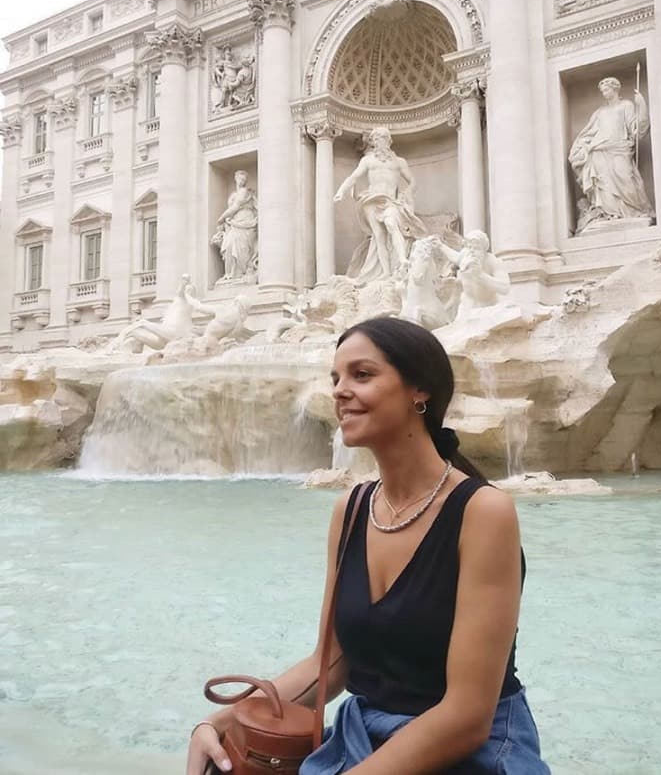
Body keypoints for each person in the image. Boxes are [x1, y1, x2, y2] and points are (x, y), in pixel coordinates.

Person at [187, 317, 550, 775]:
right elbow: (329, 664)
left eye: (361, 375)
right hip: (364, 738)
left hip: (467, 751)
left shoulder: (482, 512)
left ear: (420, 390)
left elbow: (467, 716)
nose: (339, 390)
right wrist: (219, 723)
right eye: (335, 378)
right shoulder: (352, 509)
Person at [334, 128, 427, 282]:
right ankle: (386, 272)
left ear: (389, 140)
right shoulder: (368, 161)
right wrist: (341, 191)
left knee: (391, 223)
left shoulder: (399, 162)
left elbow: (413, 182)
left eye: (382, 138)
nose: (378, 141)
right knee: (379, 237)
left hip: (390, 201)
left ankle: (403, 259)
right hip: (371, 200)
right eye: (375, 139)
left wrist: (407, 192)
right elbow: (353, 177)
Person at [569, 76, 653, 229]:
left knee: (625, 177)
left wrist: (641, 106)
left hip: (620, 148)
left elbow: (636, 130)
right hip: (599, 151)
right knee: (603, 185)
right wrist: (583, 146)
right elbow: (587, 133)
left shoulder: (626, 106)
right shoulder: (599, 112)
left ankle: (635, 211)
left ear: (615, 89)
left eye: (606, 90)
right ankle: (609, 214)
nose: (604, 93)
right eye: (602, 91)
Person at [214, 171, 258, 280]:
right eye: (240, 179)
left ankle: (240, 272)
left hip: (246, 221)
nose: (242, 182)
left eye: (244, 180)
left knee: (241, 246)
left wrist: (221, 218)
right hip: (234, 222)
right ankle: (230, 274)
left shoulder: (244, 192)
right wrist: (227, 221)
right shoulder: (233, 195)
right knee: (228, 244)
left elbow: (235, 207)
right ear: (235, 178)